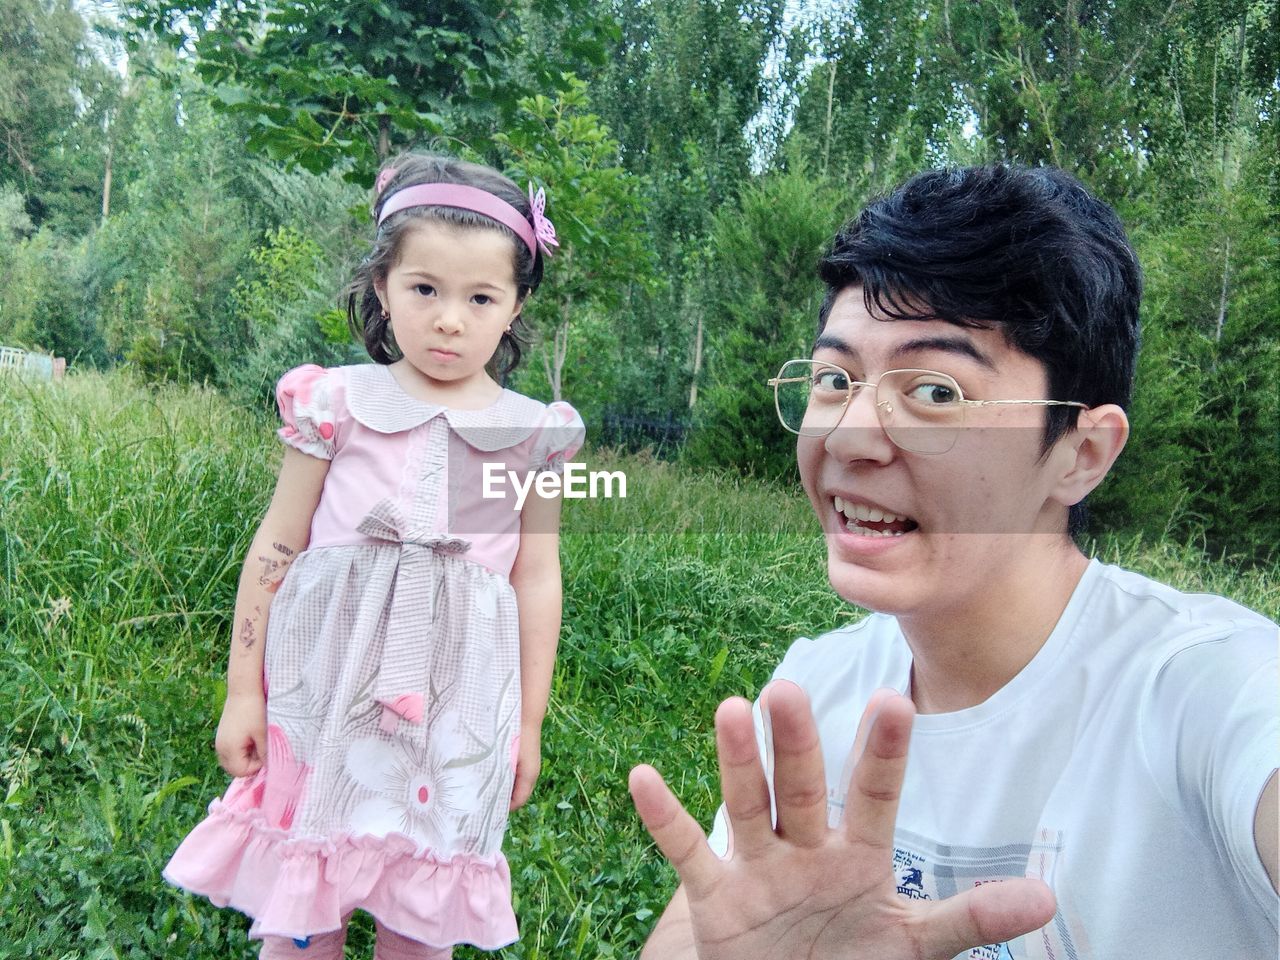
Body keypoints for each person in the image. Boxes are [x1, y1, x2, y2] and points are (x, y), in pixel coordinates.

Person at [630, 164, 1279, 959]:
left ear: (1081, 453)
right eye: (835, 380)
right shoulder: (813, 698)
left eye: (934, 392)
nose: (848, 436)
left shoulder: (1209, 696)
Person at [164, 153, 585, 959]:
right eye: (424, 288)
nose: (450, 319)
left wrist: (526, 724)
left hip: (456, 707)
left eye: (480, 297)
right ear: (383, 286)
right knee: (303, 898)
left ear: (516, 305)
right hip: (321, 694)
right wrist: (241, 693)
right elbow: (278, 545)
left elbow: (536, 577)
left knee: (421, 900)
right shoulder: (338, 402)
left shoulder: (536, 433)